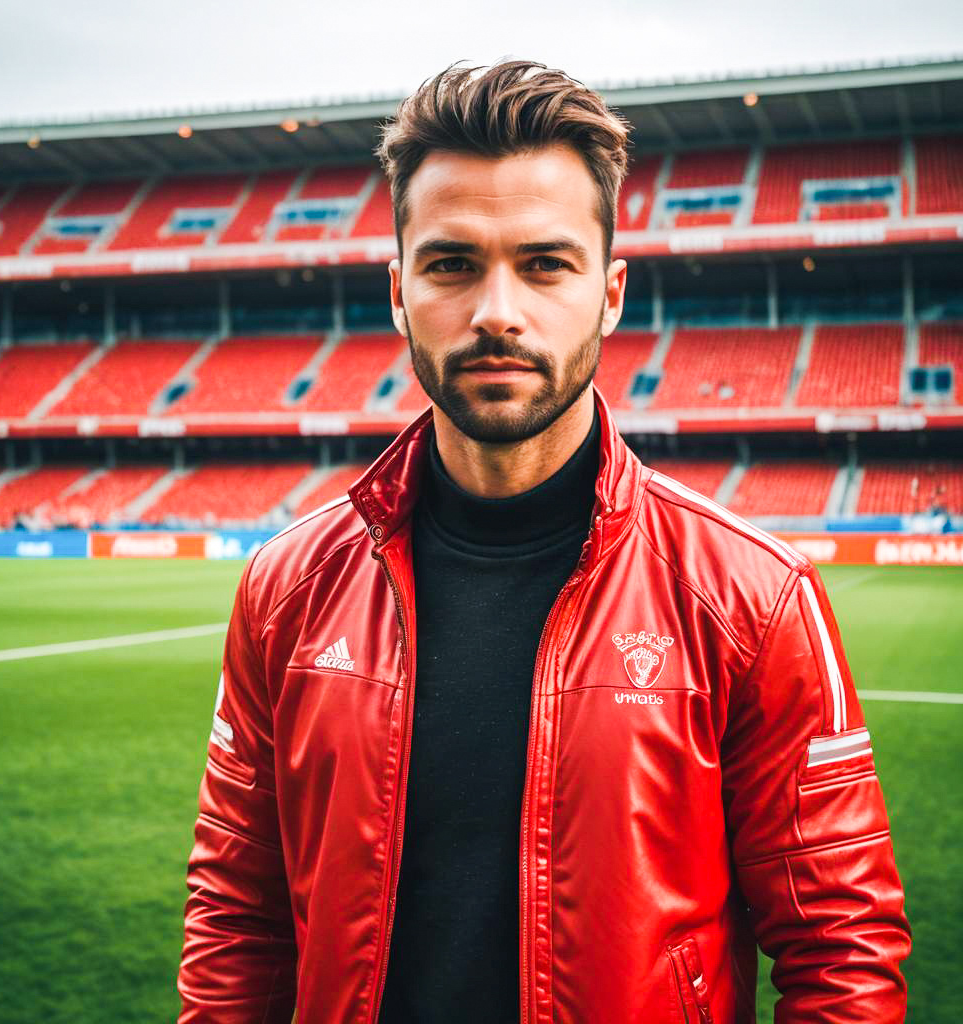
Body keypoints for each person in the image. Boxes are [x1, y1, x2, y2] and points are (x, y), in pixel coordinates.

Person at [178, 61, 910, 1023]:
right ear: (398, 292)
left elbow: (840, 950)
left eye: (544, 264)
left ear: (609, 294)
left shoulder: (754, 596)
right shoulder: (286, 585)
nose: (496, 313)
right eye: (452, 265)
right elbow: (240, 919)